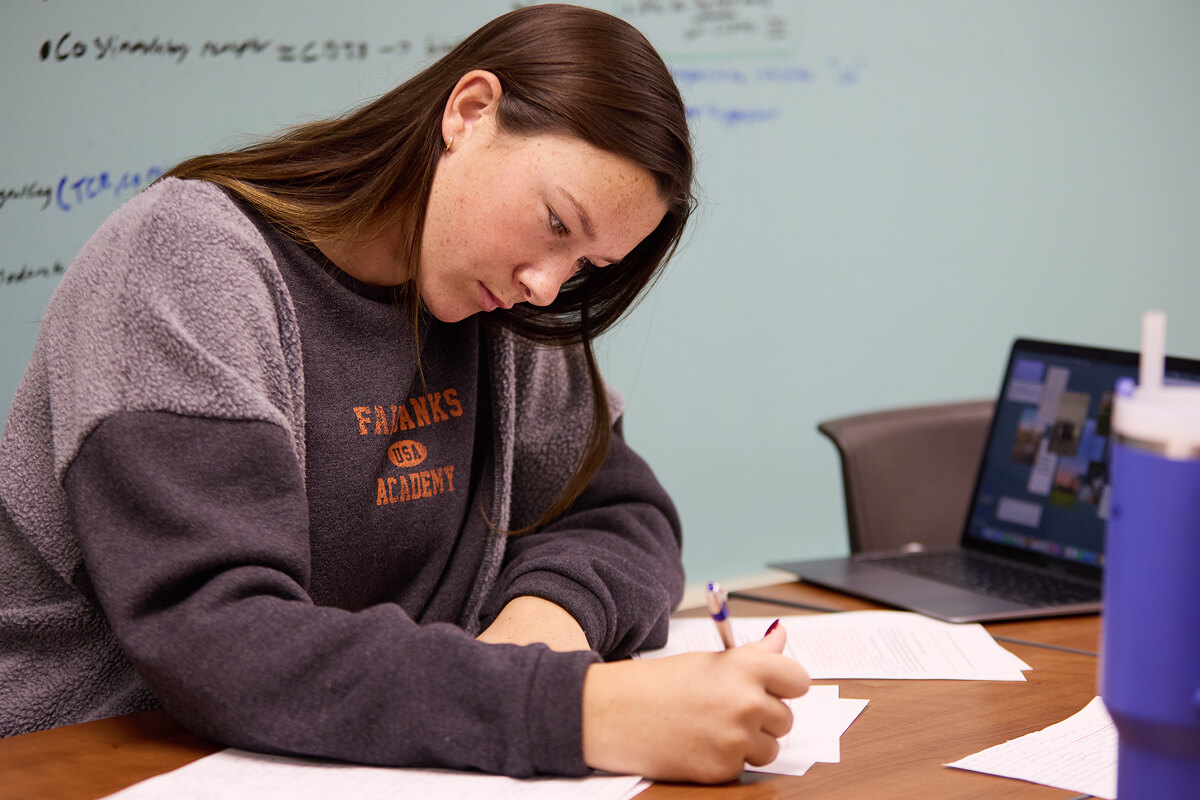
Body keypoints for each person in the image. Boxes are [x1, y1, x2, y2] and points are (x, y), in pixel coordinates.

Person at [0, 3, 808, 783]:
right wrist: (579, 709)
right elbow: (219, 640)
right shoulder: (187, 266)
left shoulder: (502, 304)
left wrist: (547, 618)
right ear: (470, 112)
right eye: (558, 224)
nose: (546, 284)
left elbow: (621, 517)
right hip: (102, 760)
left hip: (375, 758)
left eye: (585, 266)